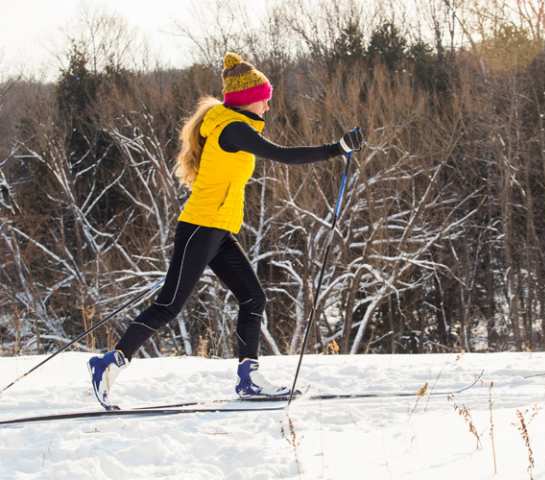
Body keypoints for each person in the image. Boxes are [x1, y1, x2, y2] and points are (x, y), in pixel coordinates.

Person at [88, 52, 364, 408]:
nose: (268, 104)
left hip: (217, 230)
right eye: (265, 96)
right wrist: (336, 149)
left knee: (253, 297)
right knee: (169, 305)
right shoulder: (233, 129)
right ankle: (109, 365)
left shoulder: (231, 125)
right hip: (201, 227)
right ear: (249, 98)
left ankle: (248, 379)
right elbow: (282, 155)